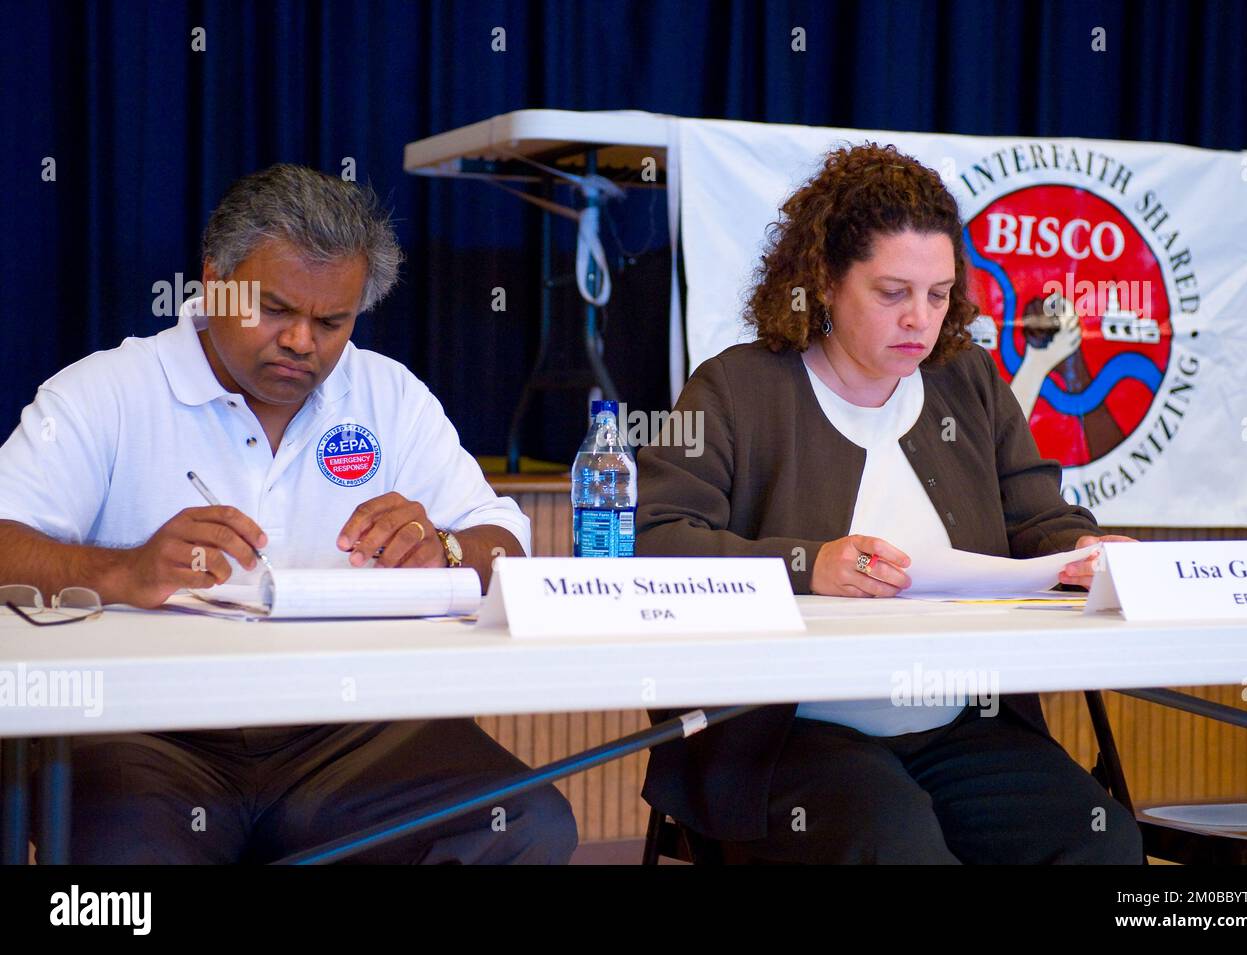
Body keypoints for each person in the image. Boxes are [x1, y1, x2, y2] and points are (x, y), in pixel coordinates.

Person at [0, 164, 577, 864]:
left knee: (528, 825)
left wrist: (447, 549)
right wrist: (121, 569)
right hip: (143, 728)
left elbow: (505, 544)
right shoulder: (106, 394)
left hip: (348, 728)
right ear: (214, 281)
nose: (303, 341)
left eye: (332, 321)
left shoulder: (389, 395)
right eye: (274, 310)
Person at [635, 143, 1143, 864]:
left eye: (938, 295)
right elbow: (653, 541)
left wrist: (1088, 552)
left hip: (959, 726)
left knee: (1095, 839)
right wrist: (807, 563)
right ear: (825, 282)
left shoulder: (966, 381)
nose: (920, 318)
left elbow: (1039, 517)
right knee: (893, 840)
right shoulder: (738, 389)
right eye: (893, 292)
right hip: (787, 738)